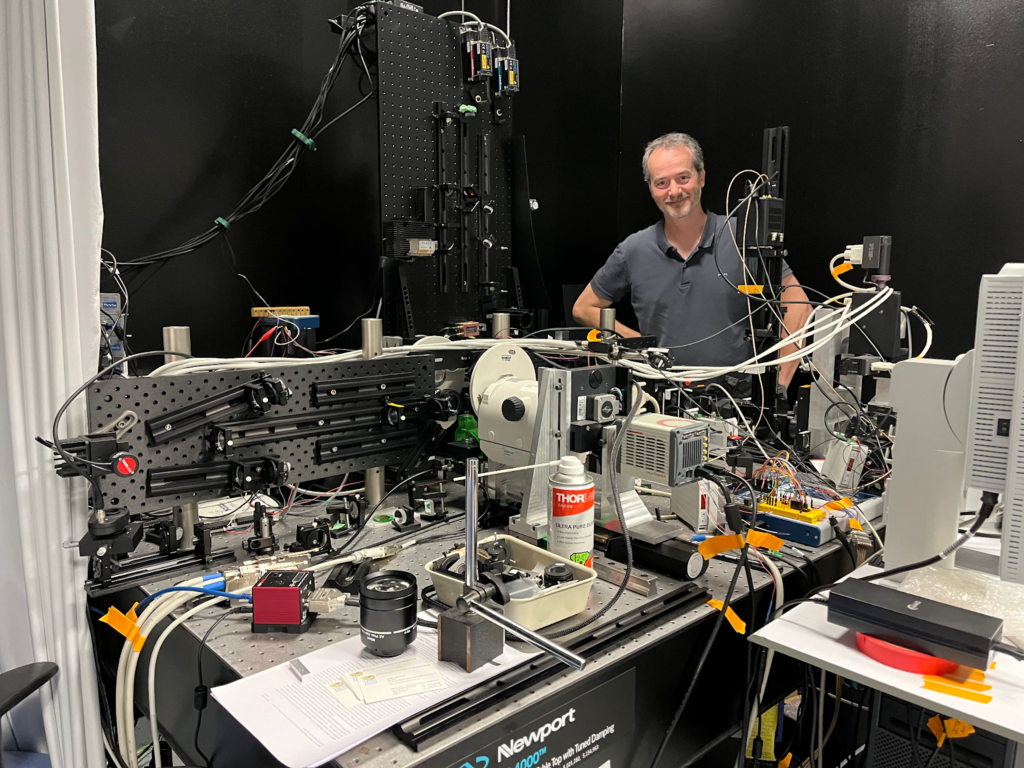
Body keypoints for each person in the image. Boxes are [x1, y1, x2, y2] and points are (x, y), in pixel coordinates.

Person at [572, 132, 812, 388]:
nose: (674, 191)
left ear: (701, 177)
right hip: (660, 404)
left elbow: (799, 307)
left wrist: (780, 385)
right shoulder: (634, 249)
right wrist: (639, 345)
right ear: (651, 188)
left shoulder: (743, 238)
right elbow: (583, 308)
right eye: (661, 183)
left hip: (736, 407)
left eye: (683, 178)